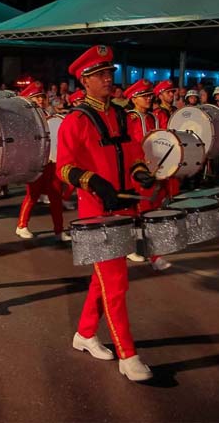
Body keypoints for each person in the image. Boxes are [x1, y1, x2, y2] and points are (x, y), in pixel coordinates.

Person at [57, 45, 156, 382]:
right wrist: (92, 181)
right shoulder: (76, 120)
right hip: (95, 212)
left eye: (110, 73)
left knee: (104, 280)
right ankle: (128, 355)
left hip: (125, 206)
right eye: (100, 74)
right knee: (116, 283)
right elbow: (64, 168)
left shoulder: (124, 116)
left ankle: (85, 333)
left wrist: (141, 172)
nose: (108, 79)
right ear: (84, 81)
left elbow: (134, 155)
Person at [124, 78, 172, 270]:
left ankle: (141, 248)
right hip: (138, 170)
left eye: (149, 95)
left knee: (151, 208)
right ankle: (154, 256)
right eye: (144, 96)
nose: (148, 99)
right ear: (134, 99)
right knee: (143, 210)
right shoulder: (129, 118)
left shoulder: (153, 117)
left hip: (154, 168)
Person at [14, 81, 70, 241]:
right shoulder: (24, 120)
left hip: (51, 164)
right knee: (32, 195)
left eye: (41, 97)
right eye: (35, 97)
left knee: (56, 197)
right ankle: (22, 225)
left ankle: (59, 230)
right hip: (36, 163)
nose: (39, 100)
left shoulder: (50, 116)